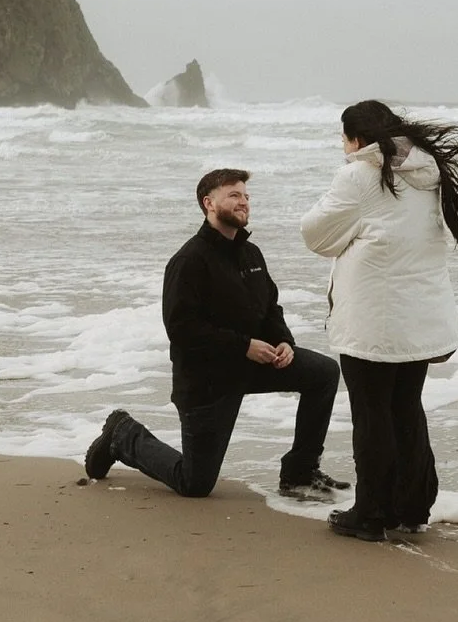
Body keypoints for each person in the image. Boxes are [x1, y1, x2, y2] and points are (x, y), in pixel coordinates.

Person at [84, 168, 349, 499]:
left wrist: (284, 341)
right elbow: (182, 330)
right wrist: (243, 346)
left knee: (324, 373)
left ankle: (300, 473)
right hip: (206, 380)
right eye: (234, 195)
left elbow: (270, 307)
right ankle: (122, 435)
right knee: (195, 484)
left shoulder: (250, 253)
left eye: (246, 196)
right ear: (208, 203)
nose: (244, 202)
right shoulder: (189, 260)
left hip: (252, 364)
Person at [300, 100, 458, 541]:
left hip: (373, 322)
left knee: (372, 415)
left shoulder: (360, 175)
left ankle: (371, 513)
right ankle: (412, 507)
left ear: (356, 139)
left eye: (344, 138)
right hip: (419, 319)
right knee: (405, 409)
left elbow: (316, 235)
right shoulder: (427, 171)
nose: (343, 146)